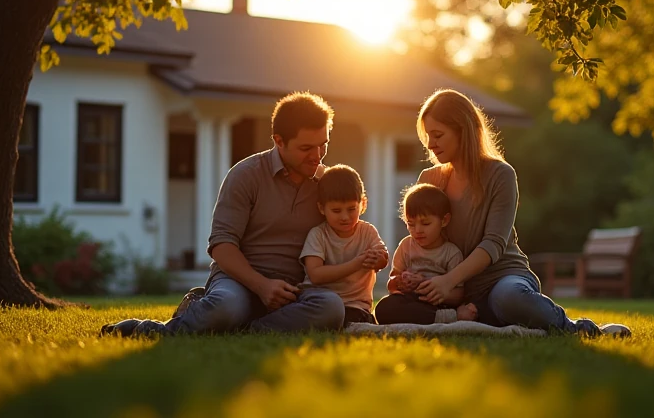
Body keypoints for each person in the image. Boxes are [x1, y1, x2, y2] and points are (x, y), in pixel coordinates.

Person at [373, 89, 631, 338]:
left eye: (438, 135)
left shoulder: (500, 175)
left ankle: (579, 328)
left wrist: (448, 281)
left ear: (463, 131)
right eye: (428, 136)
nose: (431, 144)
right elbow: (424, 240)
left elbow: (493, 243)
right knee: (389, 308)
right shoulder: (429, 179)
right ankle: (481, 317)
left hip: (499, 279)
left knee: (509, 297)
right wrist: (413, 280)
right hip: (451, 292)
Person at [101, 91, 346, 336]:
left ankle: (246, 330)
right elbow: (221, 245)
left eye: (323, 145)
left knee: (331, 307)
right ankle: (149, 330)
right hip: (239, 282)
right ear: (279, 140)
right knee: (226, 306)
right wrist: (262, 286)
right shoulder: (245, 175)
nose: (317, 156)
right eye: (306, 148)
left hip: (294, 289)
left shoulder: (325, 183)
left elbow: (343, 235)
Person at [299, 164, 389, 328]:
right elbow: (316, 275)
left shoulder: (367, 231)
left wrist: (378, 259)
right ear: (321, 208)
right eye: (336, 210)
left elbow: (383, 259)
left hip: (356, 305)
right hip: (321, 300)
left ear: (363, 204)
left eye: (351, 209)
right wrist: (356, 263)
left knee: (356, 318)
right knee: (330, 310)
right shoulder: (318, 235)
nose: (345, 217)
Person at [375, 183, 478, 324]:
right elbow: (392, 284)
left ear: (444, 220)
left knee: (431, 309)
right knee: (383, 308)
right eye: (411, 224)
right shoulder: (406, 246)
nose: (417, 230)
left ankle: (446, 316)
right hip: (410, 301)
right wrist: (401, 282)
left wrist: (431, 287)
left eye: (425, 223)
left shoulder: (451, 253)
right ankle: (449, 318)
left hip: (437, 303)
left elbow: (458, 295)